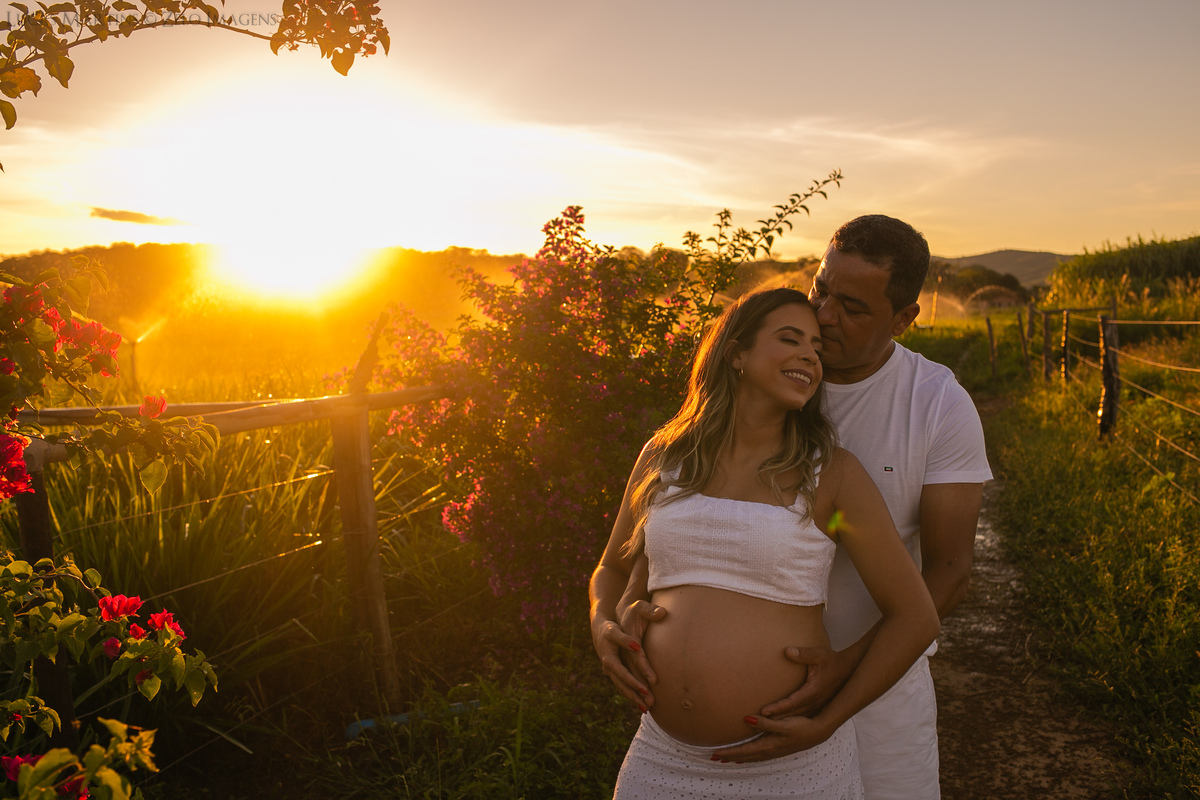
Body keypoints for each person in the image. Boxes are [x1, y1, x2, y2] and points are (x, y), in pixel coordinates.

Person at [594, 215, 992, 799]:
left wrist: (846, 667)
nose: (825, 320)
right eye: (821, 291)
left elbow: (950, 571)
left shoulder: (934, 406)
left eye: (852, 308)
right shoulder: (760, 397)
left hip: (877, 686)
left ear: (905, 318)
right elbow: (661, 545)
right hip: (679, 744)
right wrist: (617, 613)